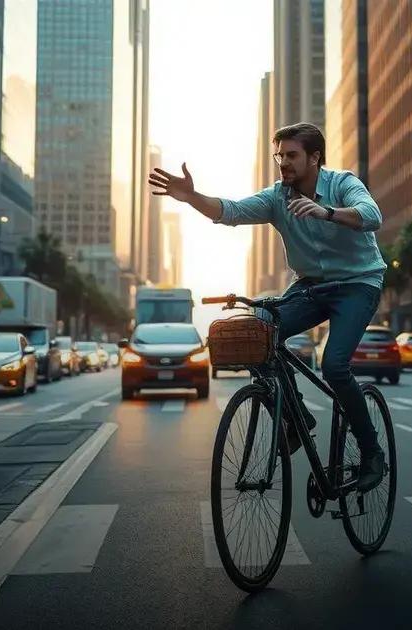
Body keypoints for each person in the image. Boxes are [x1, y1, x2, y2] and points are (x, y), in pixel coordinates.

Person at [148, 122, 387, 491]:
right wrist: (191, 197)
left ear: (315, 157)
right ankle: (296, 419)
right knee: (255, 331)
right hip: (311, 286)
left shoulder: (342, 183)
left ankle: (372, 453)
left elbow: (371, 215)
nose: (283, 163)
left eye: (291, 155)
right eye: (280, 155)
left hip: (358, 284)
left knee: (335, 366)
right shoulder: (277, 198)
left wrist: (326, 212)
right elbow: (231, 211)